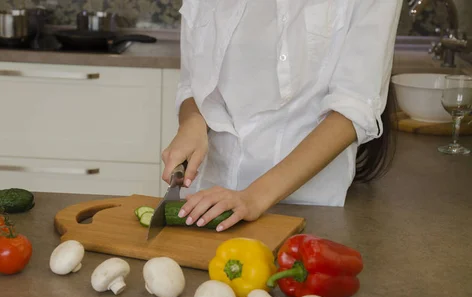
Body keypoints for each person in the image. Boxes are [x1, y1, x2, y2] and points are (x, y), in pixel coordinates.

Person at [161, 0, 402, 231]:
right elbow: (191, 85)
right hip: (206, 202)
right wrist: (192, 122)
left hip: (305, 213)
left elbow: (354, 107)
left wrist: (254, 197)